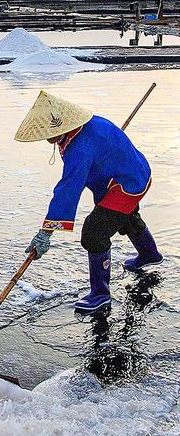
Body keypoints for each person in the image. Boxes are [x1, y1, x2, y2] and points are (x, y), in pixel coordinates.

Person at [15, 90, 162, 314]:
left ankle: (100, 295)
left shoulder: (79, 150)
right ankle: (149, 254)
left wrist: (46, 232)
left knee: (95, 233)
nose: (47, 138)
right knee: (125, 216)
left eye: (49, 133)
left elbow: (68, 189)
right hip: (135, 170)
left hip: (126, 183)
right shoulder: (92, 123)